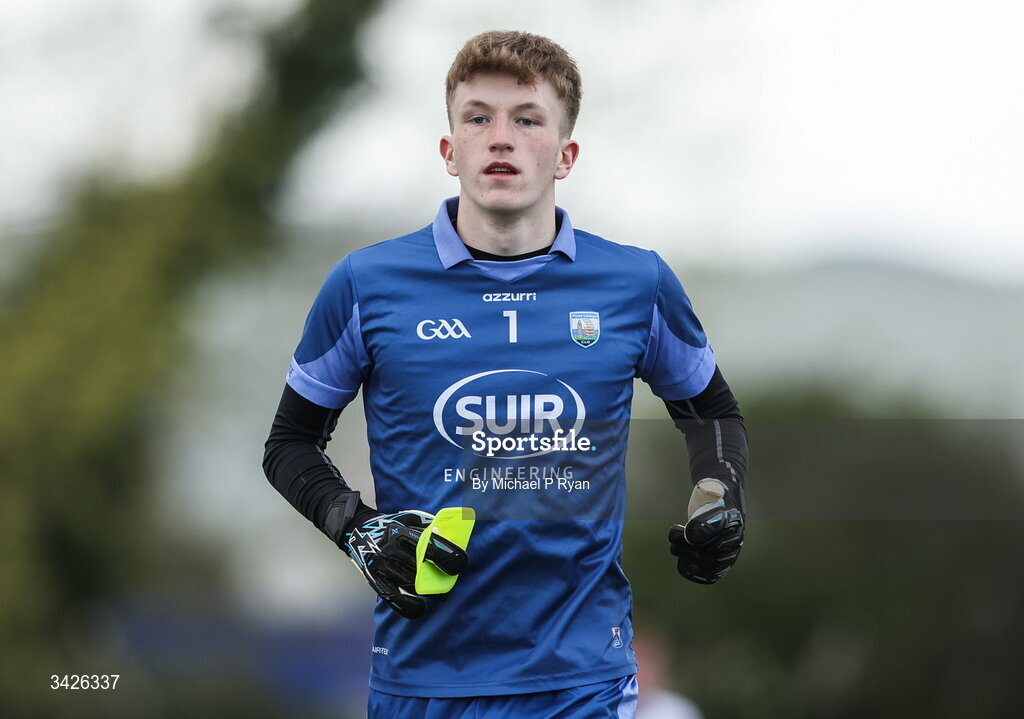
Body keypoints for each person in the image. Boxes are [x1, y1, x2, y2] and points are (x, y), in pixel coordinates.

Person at [263, 30, 748, 719]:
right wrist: (357, 527)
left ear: (566, 153)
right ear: (449, 148)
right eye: (478, 117)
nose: (501, 137)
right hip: (421, 682)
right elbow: (288, 444)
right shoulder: (366, 284)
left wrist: (717, 491)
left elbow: (713, 414)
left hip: (584, 681)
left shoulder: (635, 283)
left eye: (526, 118)